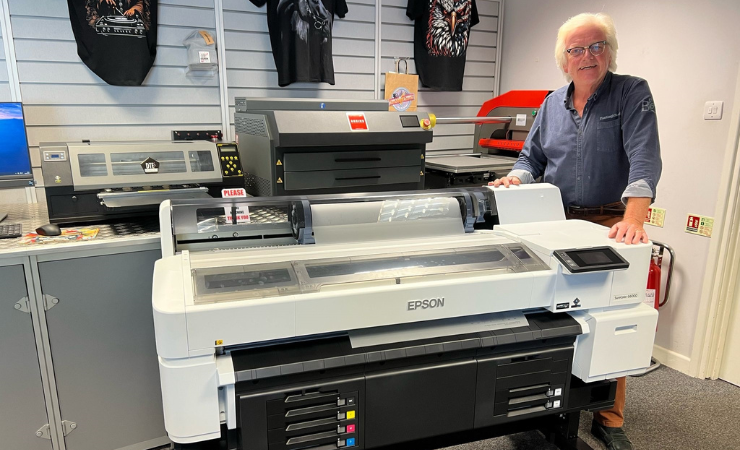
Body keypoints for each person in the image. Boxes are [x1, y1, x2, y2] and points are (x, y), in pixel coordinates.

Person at [490, 12, 662, 450]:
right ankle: (550, 405)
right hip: (556, 220)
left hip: (610, 222)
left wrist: (635, 218)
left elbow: (644, 156)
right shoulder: (551, 103)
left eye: (597, 46)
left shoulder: (631, 92)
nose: (588, 56)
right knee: (550, 312)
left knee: (613, 315)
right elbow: (531, 158)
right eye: (577, 49)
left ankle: (610, 418)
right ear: (564, 59)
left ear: (610, 52)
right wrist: (515, 179)